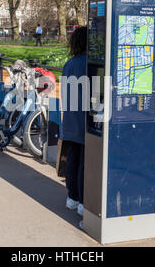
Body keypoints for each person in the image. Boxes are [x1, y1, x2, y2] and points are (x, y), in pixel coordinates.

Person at [60, 26, 88, 222]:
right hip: (84, 119)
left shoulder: (69, 63)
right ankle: (83, 202)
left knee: (72, 159)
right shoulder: (90, 63)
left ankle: (72, 197)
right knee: (84, 164)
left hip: (69, 118)